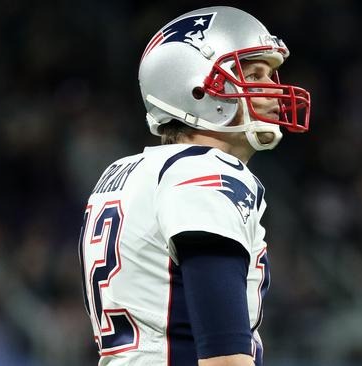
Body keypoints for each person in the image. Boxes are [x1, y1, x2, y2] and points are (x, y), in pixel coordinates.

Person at [77, 6, 310, 366]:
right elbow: (223, 356)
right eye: (253, 74)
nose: (272, 90)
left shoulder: (122, 172)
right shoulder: (206, 172)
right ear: (197, 88)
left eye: (272, 75)